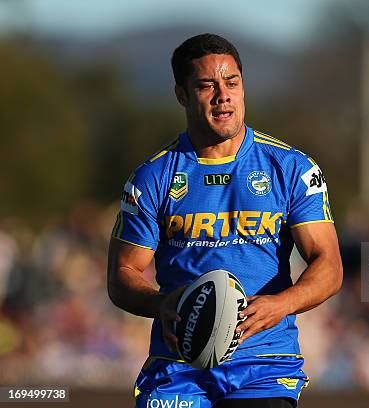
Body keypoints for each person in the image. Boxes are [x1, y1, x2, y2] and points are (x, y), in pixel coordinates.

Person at [107, 33, 343, 408]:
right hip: (177, 368)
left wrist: (280, 304)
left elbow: (329, 266)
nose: (223, 95)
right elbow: (122, 275)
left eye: (232, 83)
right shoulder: (152, 177)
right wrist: (162, 304)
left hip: (263, 366)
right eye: (206, 85)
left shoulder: (292, 168)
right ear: (182, 95)